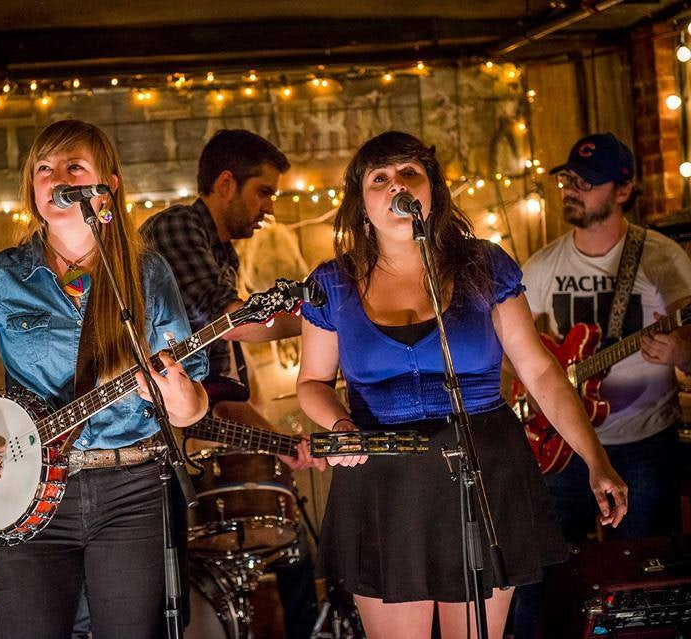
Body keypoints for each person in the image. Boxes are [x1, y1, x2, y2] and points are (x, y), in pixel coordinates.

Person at [295, 130, 627, 639]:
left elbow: (539, 371)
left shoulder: (483, 265)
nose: (396, 186)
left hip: (483, 471)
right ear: (361, 204)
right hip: (388, 483)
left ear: (433, 192)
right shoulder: (332, 283)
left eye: (410, 173)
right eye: (379, 179)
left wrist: (595, 459)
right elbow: (312, 382)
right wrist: (339, 422)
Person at [0, 119, 209, 639]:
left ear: (108, 187)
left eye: (74, 167)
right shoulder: (3, 278)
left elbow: (191, 408)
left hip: (133, 487)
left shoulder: (147, 272)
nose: (56, 179)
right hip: (29, 490)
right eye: (43, 169)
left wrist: (176, 393)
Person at [140, 128, 324, 639]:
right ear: (225, 183)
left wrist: (282, 444)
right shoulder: (179, 227)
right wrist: (325, 322)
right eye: (262, 191)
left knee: (296, 546)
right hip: (151, 447)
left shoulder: (224, 253)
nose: (269, 206)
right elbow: (233, 320)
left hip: (195, 430)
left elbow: (220, 387)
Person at [511, 133, 691, 638]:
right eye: (568, 179)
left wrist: (680, 351)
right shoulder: (543, 266)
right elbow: (516, 356)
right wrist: (522, 399)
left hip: (642, 449)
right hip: (562, 447)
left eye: (586, 182)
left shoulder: (661, 257)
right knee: (542, 575)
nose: (572, 189)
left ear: (624, 188)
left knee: (644, 583)